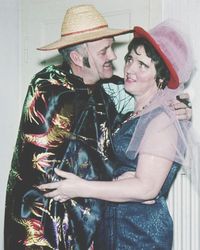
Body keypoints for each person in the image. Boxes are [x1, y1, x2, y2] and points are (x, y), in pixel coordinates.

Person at [4, 4, 191, 250]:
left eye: (113, 48)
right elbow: (49, 165)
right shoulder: (49, 88)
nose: (115, 58)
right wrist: (127, 182)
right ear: (77, 58)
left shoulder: (111, 89)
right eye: (105, 51)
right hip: (43, 225)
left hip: (119, 231)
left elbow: (154, 97)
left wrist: (183, 107)